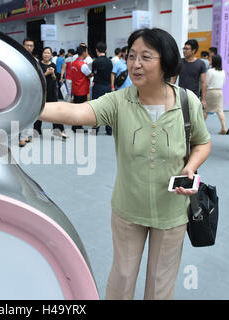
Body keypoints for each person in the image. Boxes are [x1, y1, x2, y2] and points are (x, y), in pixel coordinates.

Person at [39, 28, 211, 300]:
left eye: (146, 57)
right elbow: (73, 111)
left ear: (165, 62)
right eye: (131, 56)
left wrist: (190, 167)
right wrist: (29, 107)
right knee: (122, 276)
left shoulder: (186, 101)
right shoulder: (119, 102)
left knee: (161, 282)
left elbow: (202, 142)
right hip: (128, 209)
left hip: (172, 211)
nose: (135, 64)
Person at [33, 47, 68, 139]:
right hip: (42, 91)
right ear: (42, 54)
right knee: (39, 111)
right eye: (45, 52)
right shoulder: (38, 64)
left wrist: (52, 74)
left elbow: (55, 78)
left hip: (52, 91)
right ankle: (36, 130)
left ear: (51, 55)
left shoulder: (53, 64)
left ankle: (58, 130)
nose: (46, 54)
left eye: (48, 53)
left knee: (55, 111)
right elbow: (37, 78)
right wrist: (46, 73)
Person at [178, 39, 207, 110]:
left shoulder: (201, 64)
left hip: (194, 96)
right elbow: (173, 78)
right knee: (181, 118)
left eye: (186, 49)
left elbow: (203, 82)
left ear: (193, 50)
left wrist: (203, 99)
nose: (184, 51)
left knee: (193, 118)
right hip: (181, 95)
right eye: (183, 48)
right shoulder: (180, 62)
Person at [91, 42, 113, 135]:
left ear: (97, 50)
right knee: (108, 108)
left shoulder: (95, 61)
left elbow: (93, 73)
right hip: (107, 86)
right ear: (106, 50)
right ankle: (109, 130)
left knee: (97, 107)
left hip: (98, 86)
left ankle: (95, 129)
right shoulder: (110, 61)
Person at [69, 45, 92, 133]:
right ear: (84, 52)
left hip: (75, 89)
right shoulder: (83, 65)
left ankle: (74, 126)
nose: (87, 53)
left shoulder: (73, 63)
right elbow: (89, 75)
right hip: (82, 89)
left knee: (75, 109)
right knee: (80, 110)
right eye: (87, 51)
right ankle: (78, 127)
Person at [19, 38, 37, 147]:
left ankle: (26, 135)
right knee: (21, 114)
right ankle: (22, 136)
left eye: (31, 45)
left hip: (32, 91)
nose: (29, 47)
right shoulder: (18, 58)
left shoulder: (35, 61)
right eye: (27, 45)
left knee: (31, 113)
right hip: (20, 90)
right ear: (23, 46)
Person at [204, 54, 227, 133]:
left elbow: (206, 82)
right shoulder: (223, 71)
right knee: (219, 110)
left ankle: (202, 128)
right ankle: (224, 127)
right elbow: (224, 82)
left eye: (210, 60)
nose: (209, 61)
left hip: (211, 91)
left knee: (206, 110)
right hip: (219, 91)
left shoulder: (210, 71)